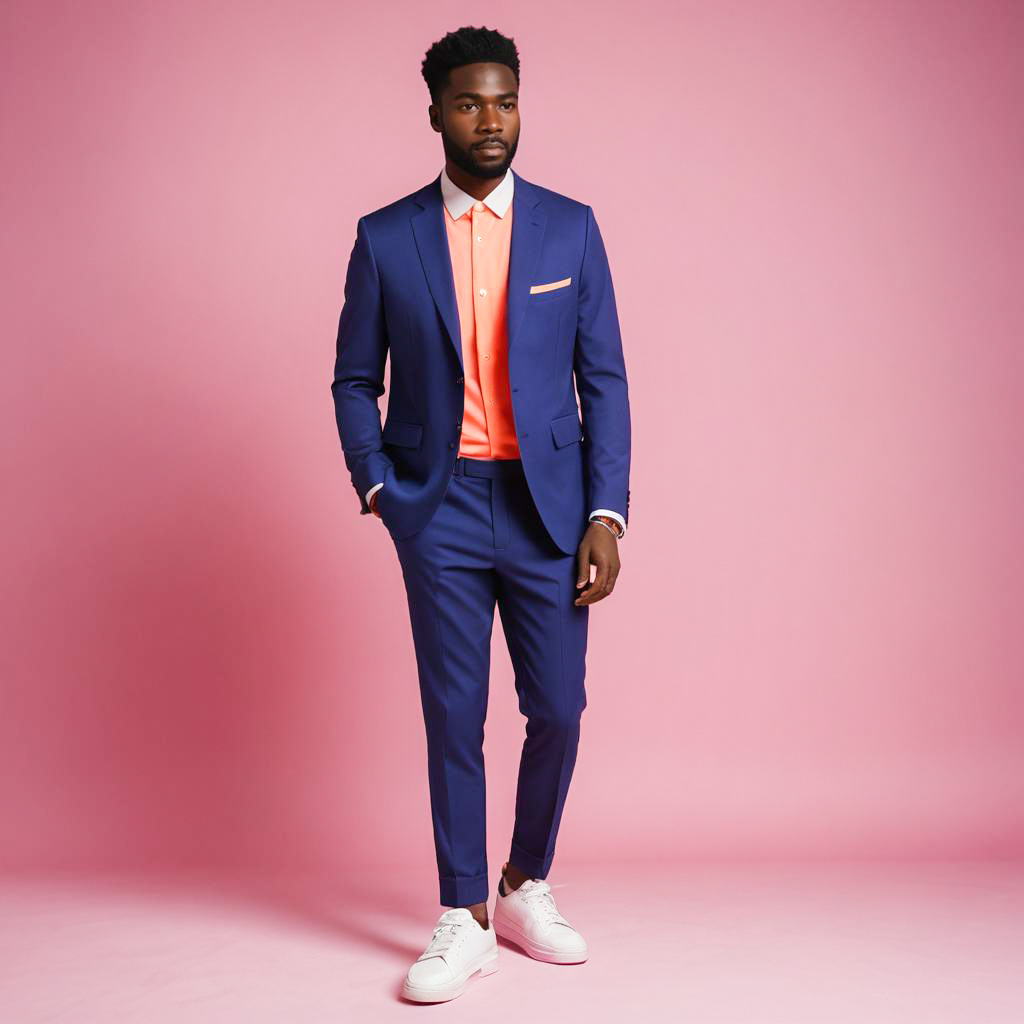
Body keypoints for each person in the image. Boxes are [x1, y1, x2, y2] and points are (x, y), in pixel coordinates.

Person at [331, 24, 631, 1004]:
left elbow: (605, 382)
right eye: (469, 102)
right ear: (435, 113)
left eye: (504, 100)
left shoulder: (569, 228)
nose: (490, 119)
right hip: (440, 506)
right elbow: (350, 380)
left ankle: (520, 884)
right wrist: (379, 486)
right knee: (452, 716)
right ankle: (459, 914)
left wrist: (607, 511)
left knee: (559, 708)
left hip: (549, 508)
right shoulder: (386, 237)